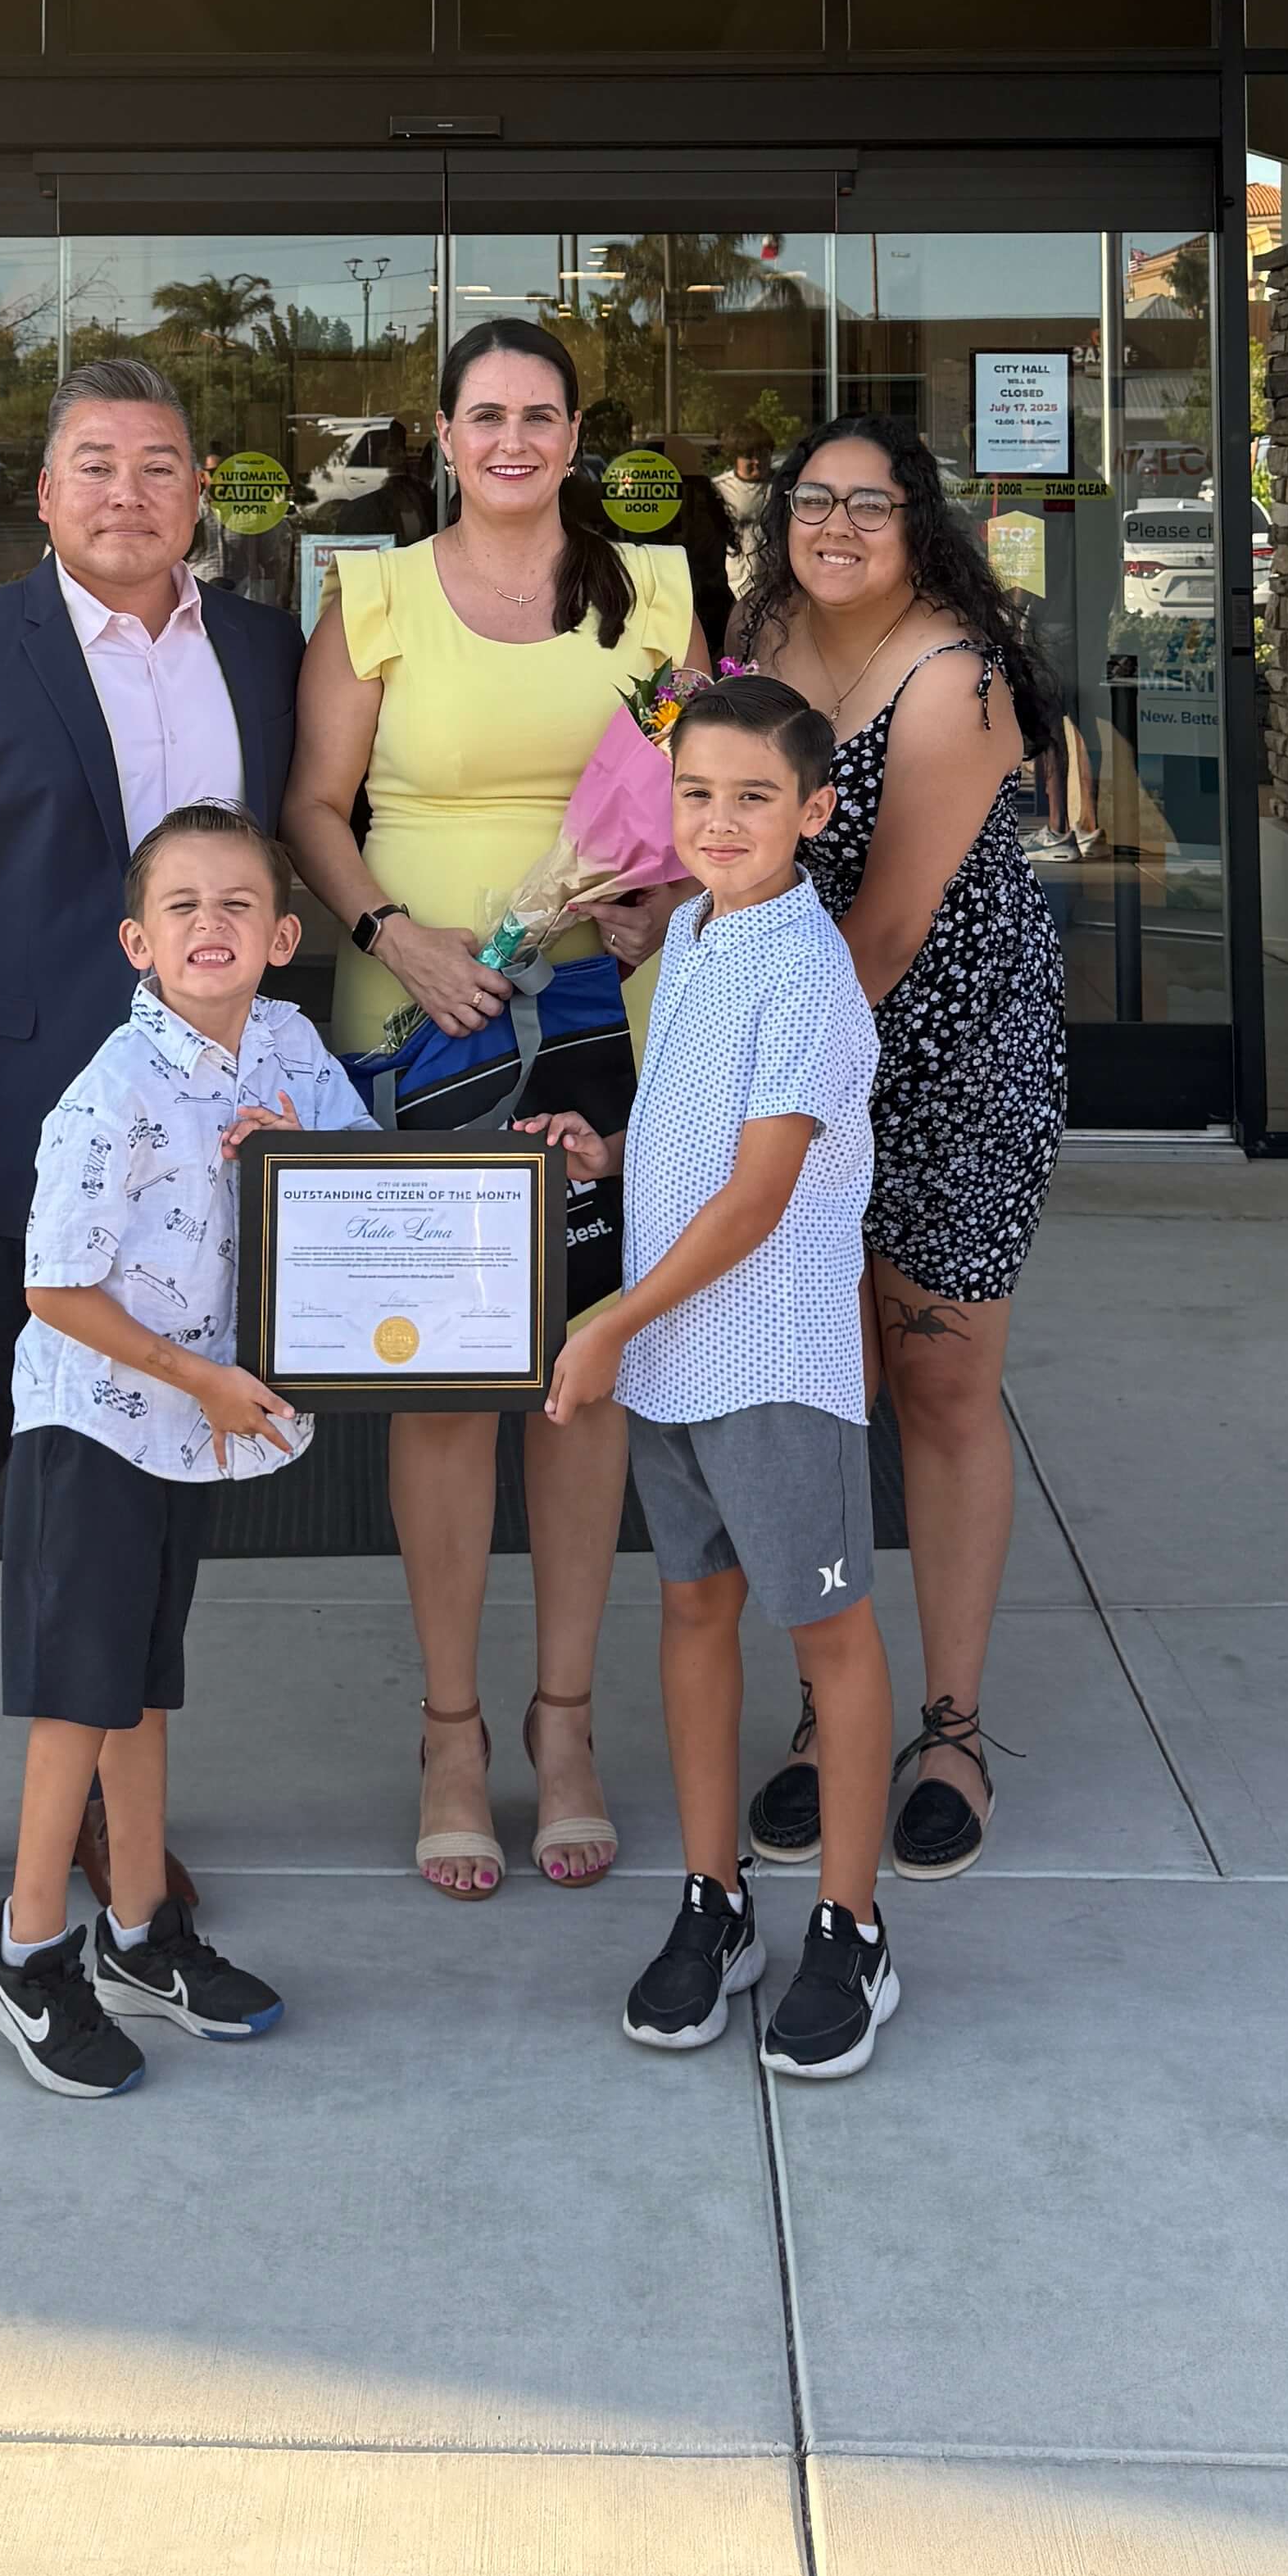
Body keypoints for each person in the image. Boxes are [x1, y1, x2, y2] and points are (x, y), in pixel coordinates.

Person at [0, 358, 306, 1971]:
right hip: (0, 1163)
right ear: (42, 496)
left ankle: (116, 1808)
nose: (127, 492)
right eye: (93, 465)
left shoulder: (262, 653)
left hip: (201, 1168)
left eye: (159, 466)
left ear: (199, 495)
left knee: (139, 1492)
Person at [283, 317, 705, 1898]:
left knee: (581, 1372)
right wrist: (396, 935)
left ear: (576, 436)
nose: (514, 440)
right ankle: (453, 1729)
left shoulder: (655, 594)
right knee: (450, 1379)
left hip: (616, 1022)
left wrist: (668, 896)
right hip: (427, 1027)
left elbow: (701, 783)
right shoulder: (374, 596)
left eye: (542, 415)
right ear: (440, 435)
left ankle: (568, 1722)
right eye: (486, 416)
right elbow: (314, 807)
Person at [0, 803, 373, 2100]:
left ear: (285, 934)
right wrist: (204, 1379)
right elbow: (57, 1291)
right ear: (138, 942)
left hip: (190, 1433)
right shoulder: (114, 1094)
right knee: (78, 1692)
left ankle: (140, 1931)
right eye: (183, 907)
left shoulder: (296, 1050)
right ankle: (27, 1945)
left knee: (141, 1680)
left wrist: (297, 1156)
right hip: (100, 1421)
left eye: (239, 904)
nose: (213, 926)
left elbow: (359, 1185)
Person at [541, 674, 900, 2082]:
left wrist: (611, 1319)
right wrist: (614, 1158)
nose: (722, 820)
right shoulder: (688, 937)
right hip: (678, 1356)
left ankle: (851, 1928)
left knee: (829, 1637)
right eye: (697, 794)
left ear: (815, 811)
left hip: (771, 1357)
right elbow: (698, 1133)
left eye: (756, 798)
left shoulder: (810, 970)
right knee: (695, 1610)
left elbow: (760, 1196)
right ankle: (716, 1900)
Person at [729, 417, 1067, 1885]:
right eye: (816, 500)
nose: (841, 525)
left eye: (874, 503)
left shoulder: (955, 678)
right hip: (809, 1061)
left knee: (937, 1382)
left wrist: (745, 1083)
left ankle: (948, 1727)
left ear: (921, 524)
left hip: (946, 1064)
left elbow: (882, 930)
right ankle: (828, 1710)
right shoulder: (756, 635)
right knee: (821, 1385)